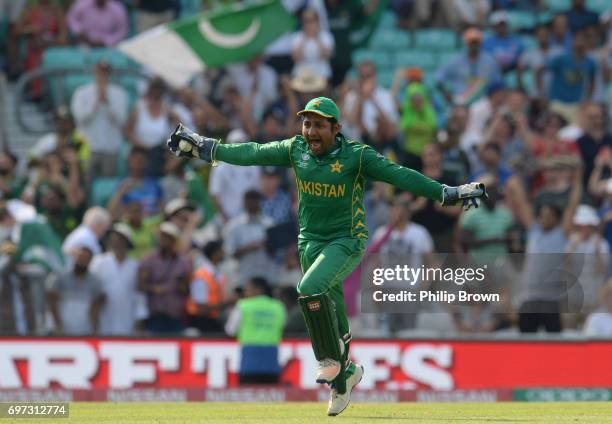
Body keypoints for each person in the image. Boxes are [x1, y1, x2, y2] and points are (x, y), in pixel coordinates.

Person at [166, 96, 487, 416]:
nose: (311, 131)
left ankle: (329, 362)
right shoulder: (296, 149)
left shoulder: (357, 156)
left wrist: (447, 193)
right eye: (307, 123)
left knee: (309, 289)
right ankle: (345, 378)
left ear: (336, 128)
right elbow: (252, 152)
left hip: (347, 240)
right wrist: (207, 147)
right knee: (334, 317)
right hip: (309, 243)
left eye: (319, 125)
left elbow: (400, 175)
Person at [71, 60, 129, 179]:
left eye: (105, 72)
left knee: (107, 183)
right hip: (87, 146)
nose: (102, 75)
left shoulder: (119, 93)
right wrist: (95, 104)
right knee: (85, 182)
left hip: (111, 148)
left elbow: (121, 121)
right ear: (95, 72)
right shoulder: (82, 92)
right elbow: (79, 118)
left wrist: (108, 104)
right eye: (100, 72)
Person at [225, 277, 286, 384]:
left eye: (248, 288)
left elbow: (230, 330)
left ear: (258, 289)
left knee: (247, 396)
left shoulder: (243, 305)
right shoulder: (278, 306)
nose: (245, 292)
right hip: (271, 357)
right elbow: (283, 326)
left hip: (250, 357)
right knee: (271, 396)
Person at [90, 223, 147, 335]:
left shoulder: (135, 266)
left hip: (127, 318)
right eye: (114, 239)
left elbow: (139, 295)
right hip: (103, 316)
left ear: (127, 243)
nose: (117, 242)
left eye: (121, 239)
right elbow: (91, 288)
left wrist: (140, 317)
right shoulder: (99, 262)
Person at [138, 221, 191, 334]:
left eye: (166, 237)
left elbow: (186, 288)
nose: (162, 240)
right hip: (156, 315)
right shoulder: (149, 259)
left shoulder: (182, 262)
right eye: (161, 237)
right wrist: (154, 289)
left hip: (176, 315)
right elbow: (140, 285)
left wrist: (181, 286)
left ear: (173, 240)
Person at [46, 246, 105, 335]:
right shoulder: (59, 276)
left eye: (86, 258)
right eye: (80, 257)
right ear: (75, 257)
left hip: (84, 330)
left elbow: (96, 305)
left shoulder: (95, 281)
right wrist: (58, 325)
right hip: (61, 330)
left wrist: (94, 329)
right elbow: (51, 299)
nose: (82, 261)